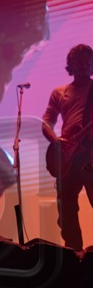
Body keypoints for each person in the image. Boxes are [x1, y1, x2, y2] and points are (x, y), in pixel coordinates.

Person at [42, 44, 93, 252]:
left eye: (87, 63)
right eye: (79, 63)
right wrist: (55, 141)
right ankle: (74, 255)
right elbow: (46, 122)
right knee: (66, 210)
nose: (84, 67)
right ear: (70, 66)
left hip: (90, 155)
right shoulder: (59, 93)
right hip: (67, 157)